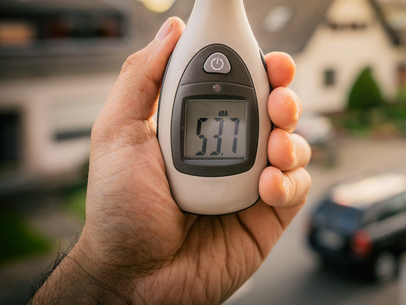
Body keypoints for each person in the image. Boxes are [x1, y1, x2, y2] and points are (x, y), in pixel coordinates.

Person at [30, 17, 312, 304]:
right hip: (202, 219)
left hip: (244, 209)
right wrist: (109, 276)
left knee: (282, 136)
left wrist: (109, 284)